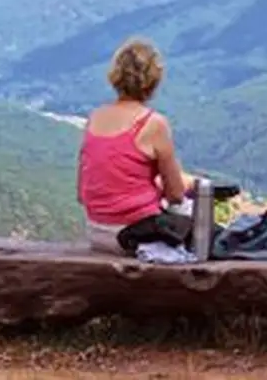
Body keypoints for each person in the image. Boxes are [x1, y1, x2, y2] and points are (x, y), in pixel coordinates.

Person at [77, 37, 193, 255]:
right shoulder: (153, 123)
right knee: (192, 214)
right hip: (135, 235)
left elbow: (82, 192)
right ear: (153, 80)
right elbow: (176, 194)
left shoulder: (94, 118)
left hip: (96, 232)